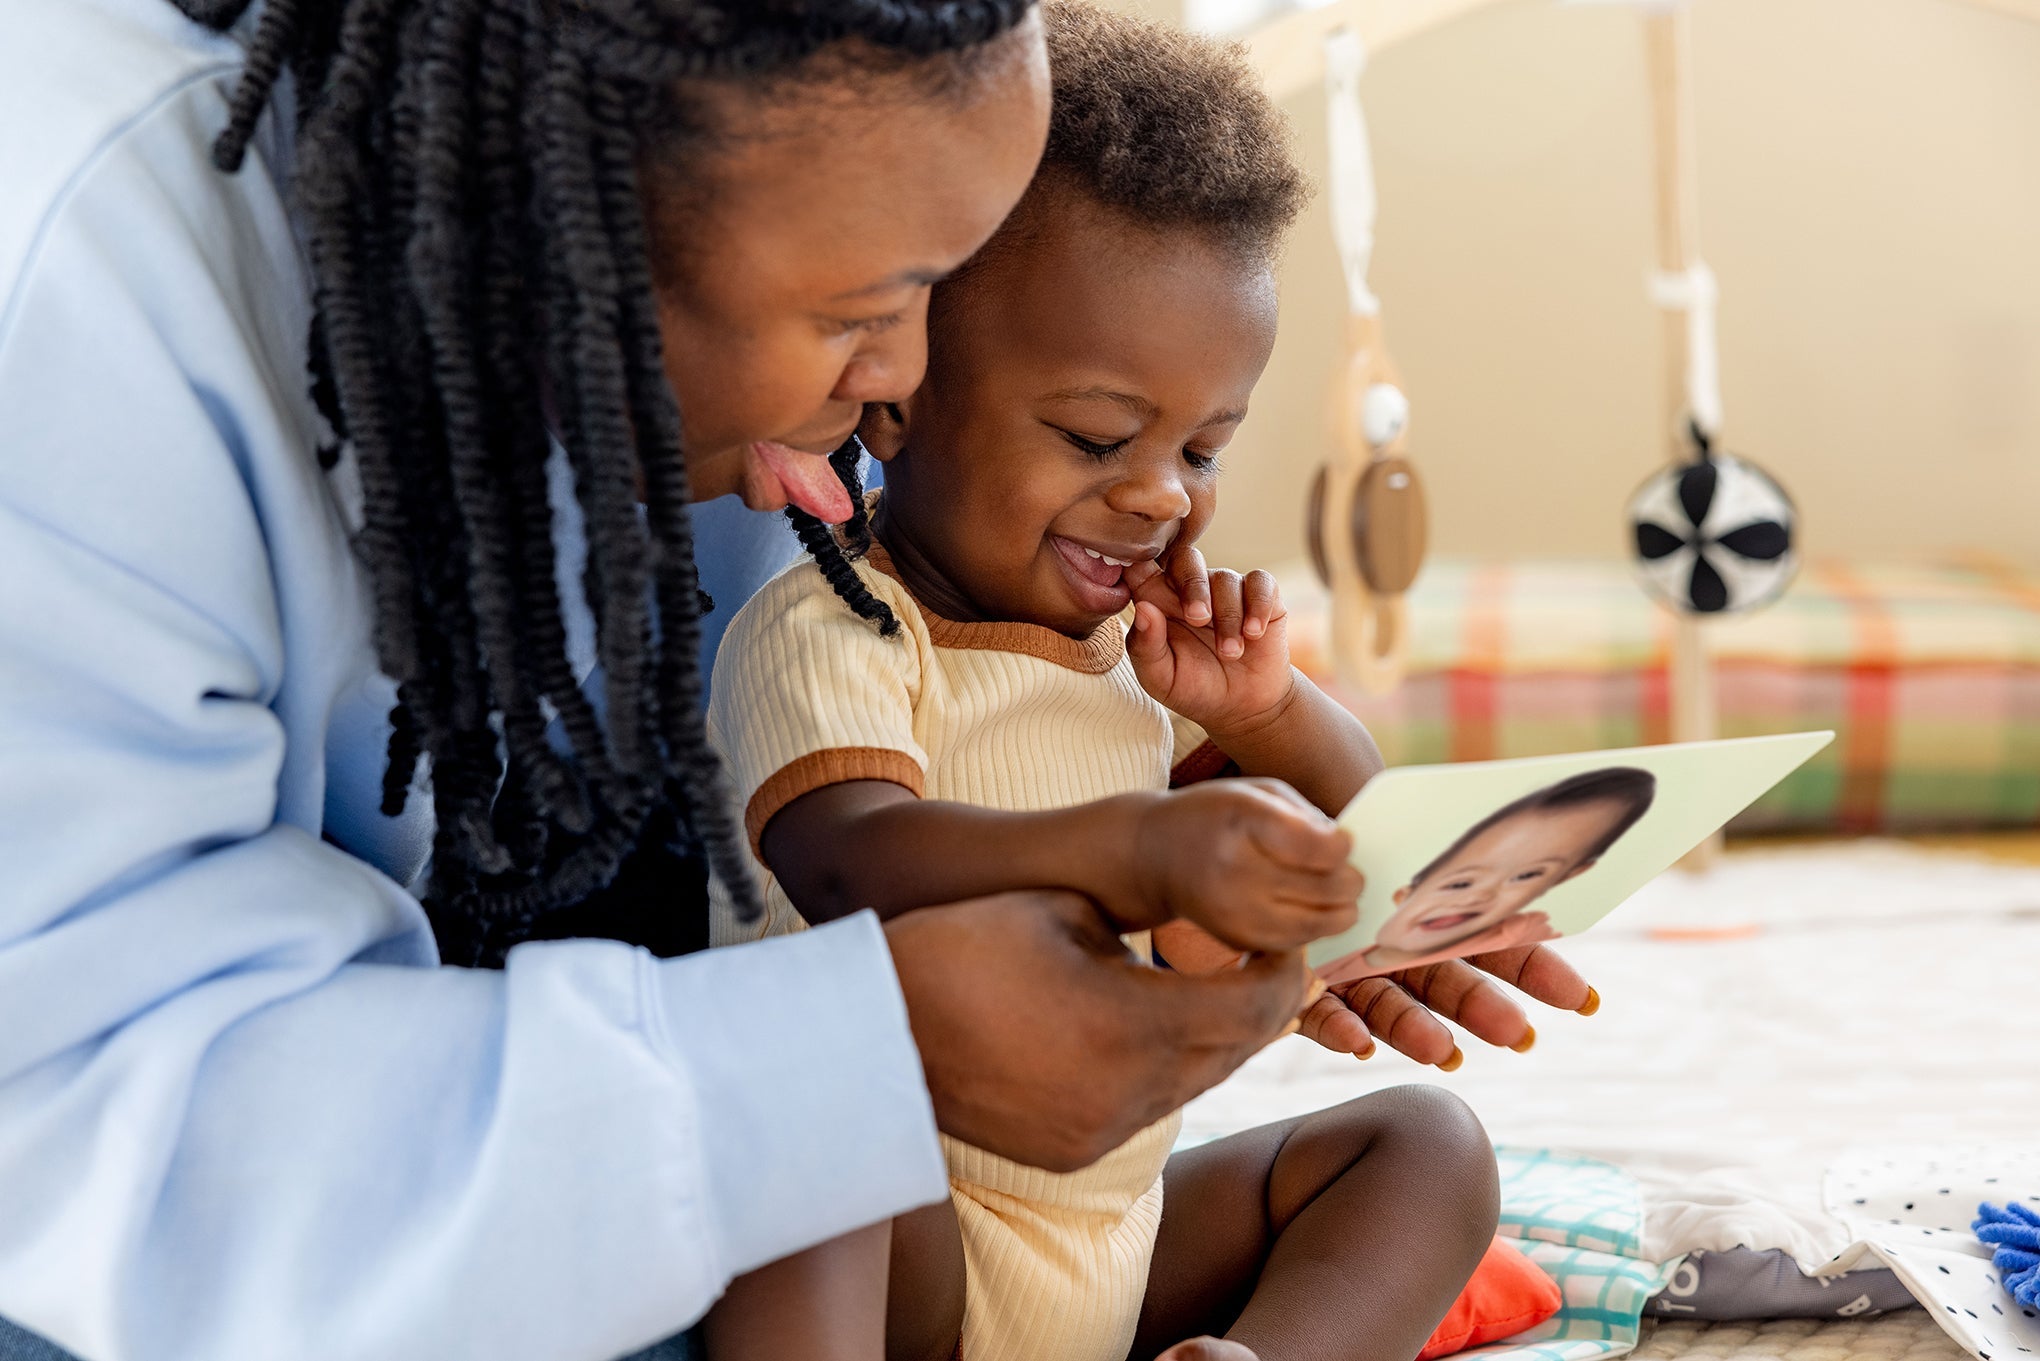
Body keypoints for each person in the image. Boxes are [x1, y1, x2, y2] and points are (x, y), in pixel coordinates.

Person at [0, 1, 1597, 1358]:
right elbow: (89, 1150)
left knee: (1425, 1152)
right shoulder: (82, 277)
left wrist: (1280, 903)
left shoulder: (780, 463)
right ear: (559, 211)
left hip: (1055, 1232)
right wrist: (852, 1058)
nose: (907, 379)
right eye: (865, 309)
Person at [699, 9, 1498, 1359]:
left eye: (1206, 446)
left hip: (1112, 1245)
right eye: (1097, 436)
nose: (1159, 493)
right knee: (808, 1126)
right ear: (896, 392)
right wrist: (1142, 847)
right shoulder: (836, 623)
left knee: (1426, 1144)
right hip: (910, 1251)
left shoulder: (1136, 654)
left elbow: (1378, 820)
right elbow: (851, 858)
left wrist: (1267, 715)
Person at [1360, 768, 1658, 972]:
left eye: (1526, 876)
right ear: (1402, 895)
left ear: (1568, 876)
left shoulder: (1509, 932)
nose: (1482, 896)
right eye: (1460, 884)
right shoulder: (1332, 956)